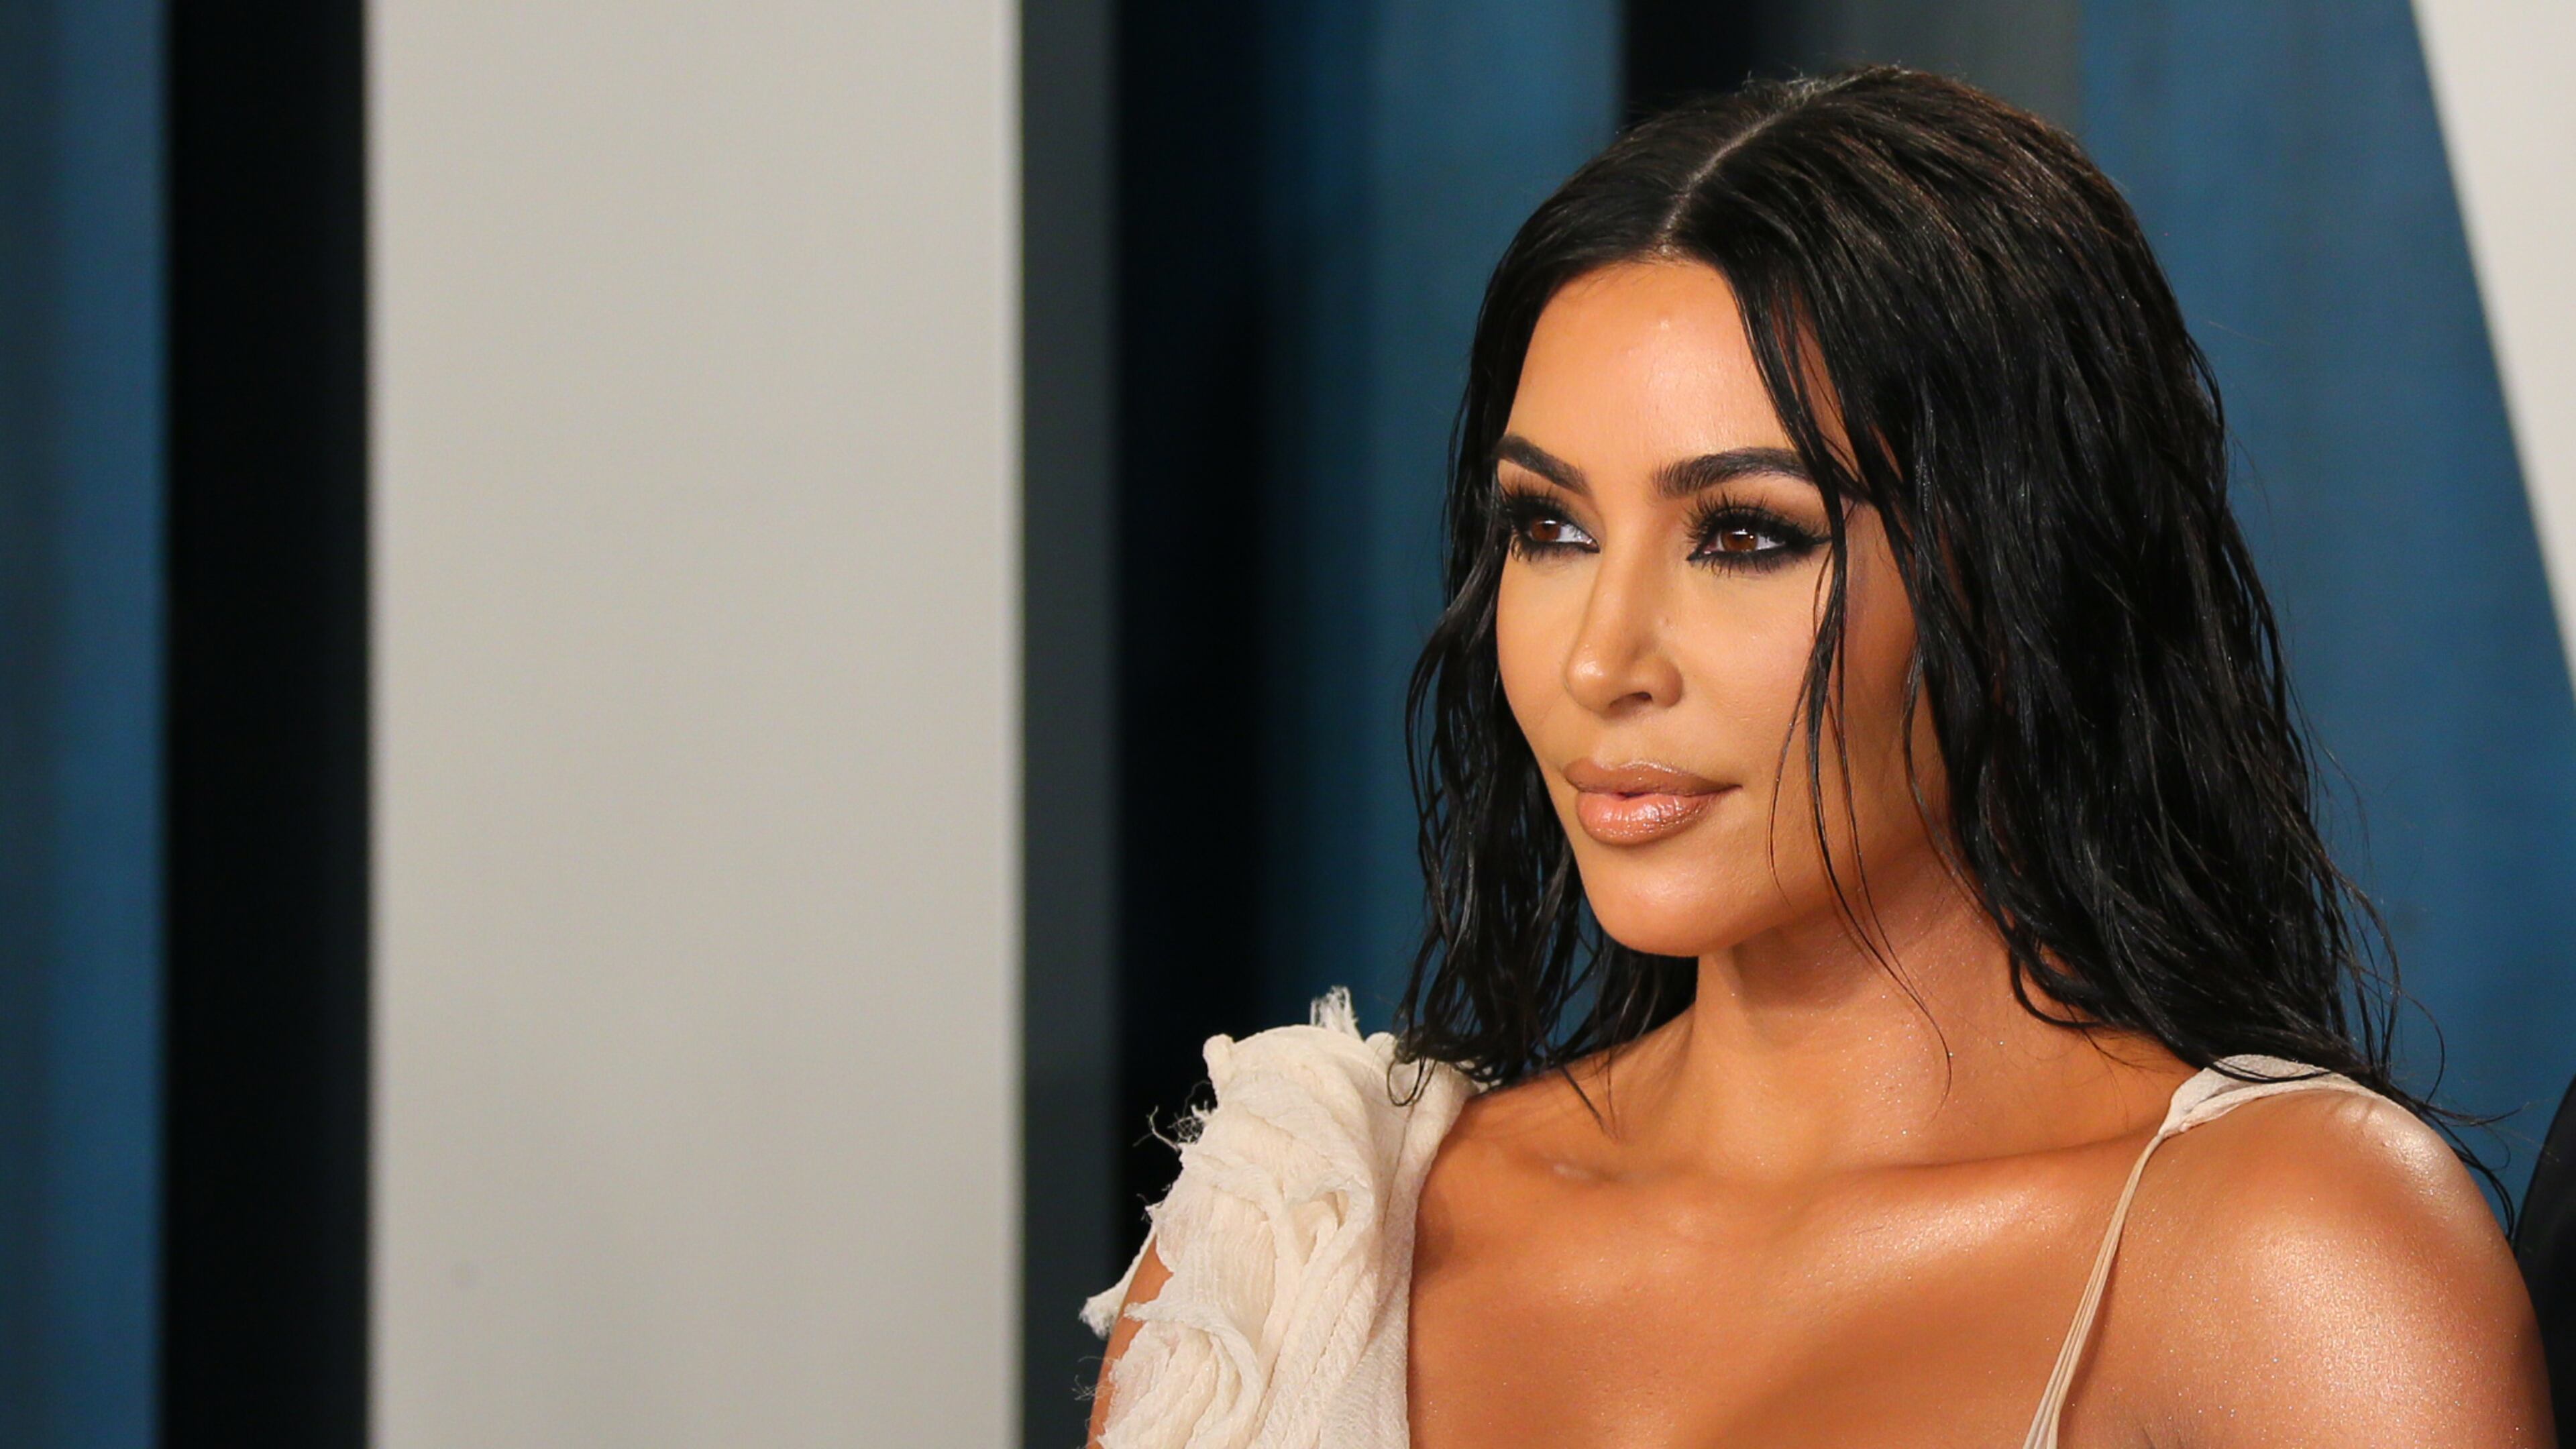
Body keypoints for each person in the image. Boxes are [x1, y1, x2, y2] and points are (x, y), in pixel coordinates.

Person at [1081, 66, 2553, 1448]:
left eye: (1744, 536)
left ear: (2022, 574)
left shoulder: (2292, 1258)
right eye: (1551, 528)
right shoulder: (1298, 1234)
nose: (1600, 661)